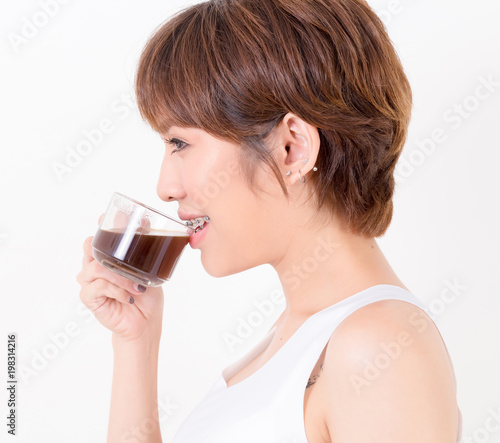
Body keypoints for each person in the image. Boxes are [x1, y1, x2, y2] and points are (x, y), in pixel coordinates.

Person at [77, 0, 462, 441]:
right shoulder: (300, 335)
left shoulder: (377, 349)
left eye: (180, 144)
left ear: (292, 149)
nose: (165, 187)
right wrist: (135, 344)